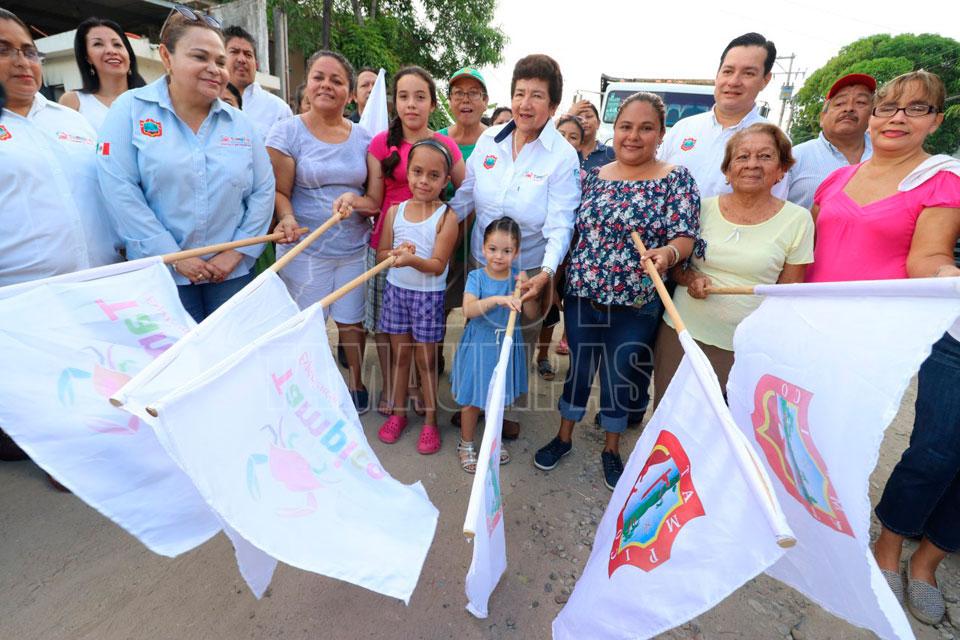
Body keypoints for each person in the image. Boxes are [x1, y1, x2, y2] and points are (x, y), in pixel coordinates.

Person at [802, 70, 960, 625]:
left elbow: (926, 258)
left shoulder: (940, 181)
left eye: (916, 109)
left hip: (871, 341)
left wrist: (949, 276)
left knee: (852, 437)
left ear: (936, 121)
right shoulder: (836, 180)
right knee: (805, 427)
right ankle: (804, 522)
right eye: (888, 107)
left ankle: (873, 547)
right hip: (811, 329)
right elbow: (807, 251)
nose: (897, 118)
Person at [533, 92, 701, 491]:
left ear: (661, 134)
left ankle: (611, 448)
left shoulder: (676, 178)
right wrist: (558, 282)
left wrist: (668, 253)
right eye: (626, 126)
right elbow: (573, 232)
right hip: (584, 295)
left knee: (620, 374)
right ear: (616, 129)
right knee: (580, 368)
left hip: (637, 303)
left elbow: (685, 235)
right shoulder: (593, 176)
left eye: (646, 128)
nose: (633, 136)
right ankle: (563, 437)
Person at [0, 8, 122, 483]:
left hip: (94, 281)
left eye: (29, 51)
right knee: (40, 390)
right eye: (4, 50)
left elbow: (107, 187)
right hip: (22, 294)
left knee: (88, 376)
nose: (22, 62)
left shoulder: (69, 119)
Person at [97, 8, 276, 322]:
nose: (214, 69)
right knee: (178, 351)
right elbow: (119, 189)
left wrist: (236, 253)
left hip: (230, 274)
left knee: (229, 346)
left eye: (220, 61)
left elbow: (263, 189)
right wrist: (173, 255)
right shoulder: (131, 110)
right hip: (161, 272)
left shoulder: (240, 124)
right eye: (199, 57)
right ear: (167, 57)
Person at [448, 53, 581, 440]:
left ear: (553, 105)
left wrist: (546, 274)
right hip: (484, 262)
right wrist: (433, 226)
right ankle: (473, 401)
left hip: (528, 271)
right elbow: (466, 195)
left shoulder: (562, 157)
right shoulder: (490, 140)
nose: (525, 103)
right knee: (479, 335)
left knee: (516, 342)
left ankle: (504, 411)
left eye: (537, 95)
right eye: (520, 93)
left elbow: (561, 224)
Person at [335, 66, 464, 417]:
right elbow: (374, 200)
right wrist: (352, 200)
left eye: (420, 97)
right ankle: (394, 387)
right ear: (395, 102)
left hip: (429, 252)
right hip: (386, 247)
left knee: (422, 330)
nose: (411, 104)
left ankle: (418, 388)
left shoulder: (446, 145)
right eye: (404, 96)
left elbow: (465, 192)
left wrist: (447, 233)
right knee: (386, 325)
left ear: (432, 104)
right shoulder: (381, 143)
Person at [654, 122, 813, 407]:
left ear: (781, 170)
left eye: (765, 156)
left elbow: (788, 294)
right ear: (727, 171)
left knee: (726, 424)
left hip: (747, 348)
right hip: (682, 334)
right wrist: (691, 279)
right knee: (669, 417)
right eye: (742, 156)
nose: (752, 164)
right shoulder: (701, 208)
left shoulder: (798, 220)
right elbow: (676, 267)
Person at [266, 50, 372, 413]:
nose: (326, 85)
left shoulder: (364, 137)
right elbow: (279, 191)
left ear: (350, 94)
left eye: (336, 80)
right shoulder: (286, 131)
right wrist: (286, 217)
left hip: (353, 249)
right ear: (307, 84)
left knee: (352, 322)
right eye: (318, 77)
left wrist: (356, 202)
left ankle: (356, 381)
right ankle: (303, 385)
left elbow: (372, 196)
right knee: (304, 326)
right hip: (305, 250)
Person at [374, 140, 459, 454]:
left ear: (445, 181)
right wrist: (395, 254)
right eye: (417, 172)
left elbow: (437, 266)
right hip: (396, 292)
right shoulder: (394, 212)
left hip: (427, 297)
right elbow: (382, 253)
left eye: (434, 175)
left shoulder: (446, 217)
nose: (424, 180)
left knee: (426, 361)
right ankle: (398, 414)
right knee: (401, 358)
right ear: (407, 173)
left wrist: (410, 260)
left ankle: (430, 422)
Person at [451, 217, 536, 472]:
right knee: (472, 399)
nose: (499, 256)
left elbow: (531, 315)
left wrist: (527, 291)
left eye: (507, 251)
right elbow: (468, 309)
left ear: (516, 252)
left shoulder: (517, 279)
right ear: (483, 248)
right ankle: (466, 444)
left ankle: (492, 442)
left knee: (497, 400)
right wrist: (497, 299)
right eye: (493, 249)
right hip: (481, 343)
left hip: (506, 346)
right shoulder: (476, 277)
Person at [660, 32, 787, 200]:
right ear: (717, 74)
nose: (733, 81)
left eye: (748, 73)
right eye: (728, 71)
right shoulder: (683, 128)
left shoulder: (774, 142)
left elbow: (771, 206)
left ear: (765, 80)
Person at [438, 66, 489, 374]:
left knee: (477, 309)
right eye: (458, 93)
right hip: (444, 240)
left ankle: (468, 368)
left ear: (485, 101)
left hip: (481, 244)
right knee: (439, 306)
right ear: (450, 100)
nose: (465, 100)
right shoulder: (438, 139)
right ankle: (434, 360)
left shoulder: (496, 141)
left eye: (473, 93)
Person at [534, 113, 584, 382]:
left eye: (573, 137)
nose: (566, 140)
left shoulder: (585, 176)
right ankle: (540, 354)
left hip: (573, 258)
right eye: (561, 134)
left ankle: (558, 358)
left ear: (581, 144)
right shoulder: (543, 168)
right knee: (545, 308)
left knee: (560, 314)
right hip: (548, 255)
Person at [786, 73, 875, 209]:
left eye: (861, 102)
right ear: (822, 117)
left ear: (873, 114)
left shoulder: (890, 155)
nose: (849, 108)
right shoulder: (793, 158)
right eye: (840, 103)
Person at [59, 17, 146, 131]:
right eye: (98, 44)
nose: (111, 51)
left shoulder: (151, 101)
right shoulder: (74, 102)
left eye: (117, 44)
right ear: (87, 57)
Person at [223, 25, 291, 139]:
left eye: (248, 54)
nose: (242, 59)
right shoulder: (206, 102)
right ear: (220, 59)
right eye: (234, 52)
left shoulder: (278, 109)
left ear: (257, 65)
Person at [566, 100, 614, 170]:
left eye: (588, 116)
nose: (584, 121)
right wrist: (569, 115)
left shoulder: (611, 154)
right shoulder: (566, 151)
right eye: (579, 118)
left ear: (598, 123)